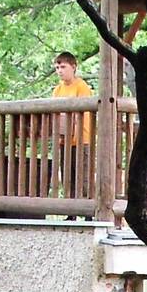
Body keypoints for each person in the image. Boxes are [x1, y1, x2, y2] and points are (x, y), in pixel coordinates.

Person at [49, 52, 94, 196]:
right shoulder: (58, 90)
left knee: (83, 176)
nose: (59, 71)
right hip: (64, 140)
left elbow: (83, 114)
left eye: (63, 67)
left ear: (73, 67)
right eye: (57, 68)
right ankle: (71, 213)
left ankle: (88, 213)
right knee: (67, 177)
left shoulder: (81, 87)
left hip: (82, 140)